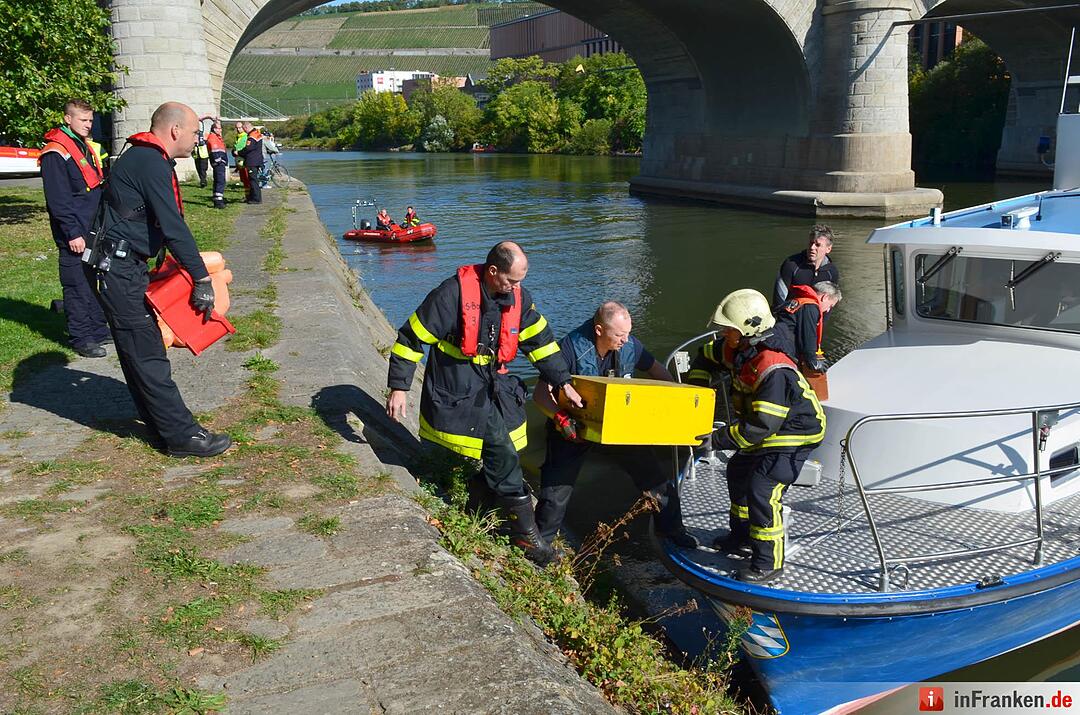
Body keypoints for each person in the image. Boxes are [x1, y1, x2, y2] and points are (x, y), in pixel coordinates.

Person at [385, 241, 583, 565]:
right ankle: (526, 537)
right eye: (512, 281)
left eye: (520, 281)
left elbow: (541, 344)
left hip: (494, 382)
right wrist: (398, 387)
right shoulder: (451, 295)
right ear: (493, 271)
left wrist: (563, 382)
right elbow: (411, 338)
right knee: (502, 451)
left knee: (507, 443)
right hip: (457, 382)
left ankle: (475, 508)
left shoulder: (519, 299)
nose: (517, 288)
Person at [86, 101, 232, 458]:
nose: (198, 138)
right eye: (196, 131)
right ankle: (182, 437)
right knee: (147, 352)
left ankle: (161, 427)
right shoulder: (150, 162)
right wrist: (200, 278)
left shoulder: (141, 156)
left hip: (117, 266)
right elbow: (173, 227)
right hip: (117, 269)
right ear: (175, 130)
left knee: (138, 350)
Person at [532, 301, 699, 549]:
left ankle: (672, 529)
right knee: (556, 490)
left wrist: (676, 401)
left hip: (618, 426)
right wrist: (560, 418)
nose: (625, 340)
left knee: (655, 478)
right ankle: (540, 546)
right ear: (599, 330)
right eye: (619, 335)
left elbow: (659, 373)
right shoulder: (569, 348)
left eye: (628, 333)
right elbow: (541, 394)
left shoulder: (630, 345)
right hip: (573, 428)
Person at [694, 290, 825, 582]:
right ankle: (740, 537)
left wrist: (717, 439)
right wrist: (698, 391)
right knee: (738, 471)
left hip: (794, 433)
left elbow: (762, 427)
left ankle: (768, 563)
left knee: (762, 489)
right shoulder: (738, 349)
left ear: (746, 332)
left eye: (729, 330)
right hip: (765, 428)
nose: (724, 334)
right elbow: (703, 357)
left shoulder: (772, 367)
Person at [39, 98, 111, 358]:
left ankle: (98, 329)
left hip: (90, 226)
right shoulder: (56, 152)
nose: (88, 125)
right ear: (67, 119)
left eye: (90, 120)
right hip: (75, 231)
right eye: (83, 120)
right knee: (76, 283)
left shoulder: (82, 145)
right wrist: (72, 233)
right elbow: (58, 199)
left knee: (92, 279)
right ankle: (81, 337)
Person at [773, 281, 842, 373]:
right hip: (782, 351)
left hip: (775, 343)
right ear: (825, 297)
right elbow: (808, 336)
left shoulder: (798, 300)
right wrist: (813, 362)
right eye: (830, 305)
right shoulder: (810, 307)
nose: (828, 310)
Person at [773, 224, 840, 308]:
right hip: (790, 317)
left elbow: (830, 303)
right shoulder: (791, 264)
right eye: (811, 243)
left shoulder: (831, 272)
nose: (812, 247)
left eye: (818, 245)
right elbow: (779, 298)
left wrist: (820, 321)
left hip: (815, 318)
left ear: (828, 249)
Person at [237, 121, 264, 204]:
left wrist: (239, 153)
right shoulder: (257, 133)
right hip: (257, 160)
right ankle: (254, 197)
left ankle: (256, 199)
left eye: (243, 129)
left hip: (252, 161)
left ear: (246, 128)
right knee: (254, 179)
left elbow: (248, 148)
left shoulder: (252, 137)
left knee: (253, 180)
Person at [205, 119, 228, 210]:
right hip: (218, 163)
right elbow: (214, 151)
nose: (220, 130)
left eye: (220, 128)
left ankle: (217, 199)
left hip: (219, 162)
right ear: (214, 129)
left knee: (218, 180)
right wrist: (220, 161)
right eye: (219, 128)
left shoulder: (217, 138)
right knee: (220, 181)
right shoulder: (213, 138)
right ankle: (218, 201)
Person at [232, 121, 249, 197]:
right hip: (239, 161)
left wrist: (238, 152)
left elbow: (246, 149)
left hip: (244, 160)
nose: (238, 129)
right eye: (237, 128)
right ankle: (247, 195)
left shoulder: (246, 136)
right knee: (243, 179)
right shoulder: (238, 137)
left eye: (240, 127)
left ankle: (249, 196)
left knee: (246, 179)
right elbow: (236, 147)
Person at [191, 122, 209, 188]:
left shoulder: (204, 133)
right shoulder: (192, 134)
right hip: (196, 153)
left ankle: (203, 181)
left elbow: (207, 142)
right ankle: (202, 180)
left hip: (203, 153)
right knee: (198, 168)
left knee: (203, 168)